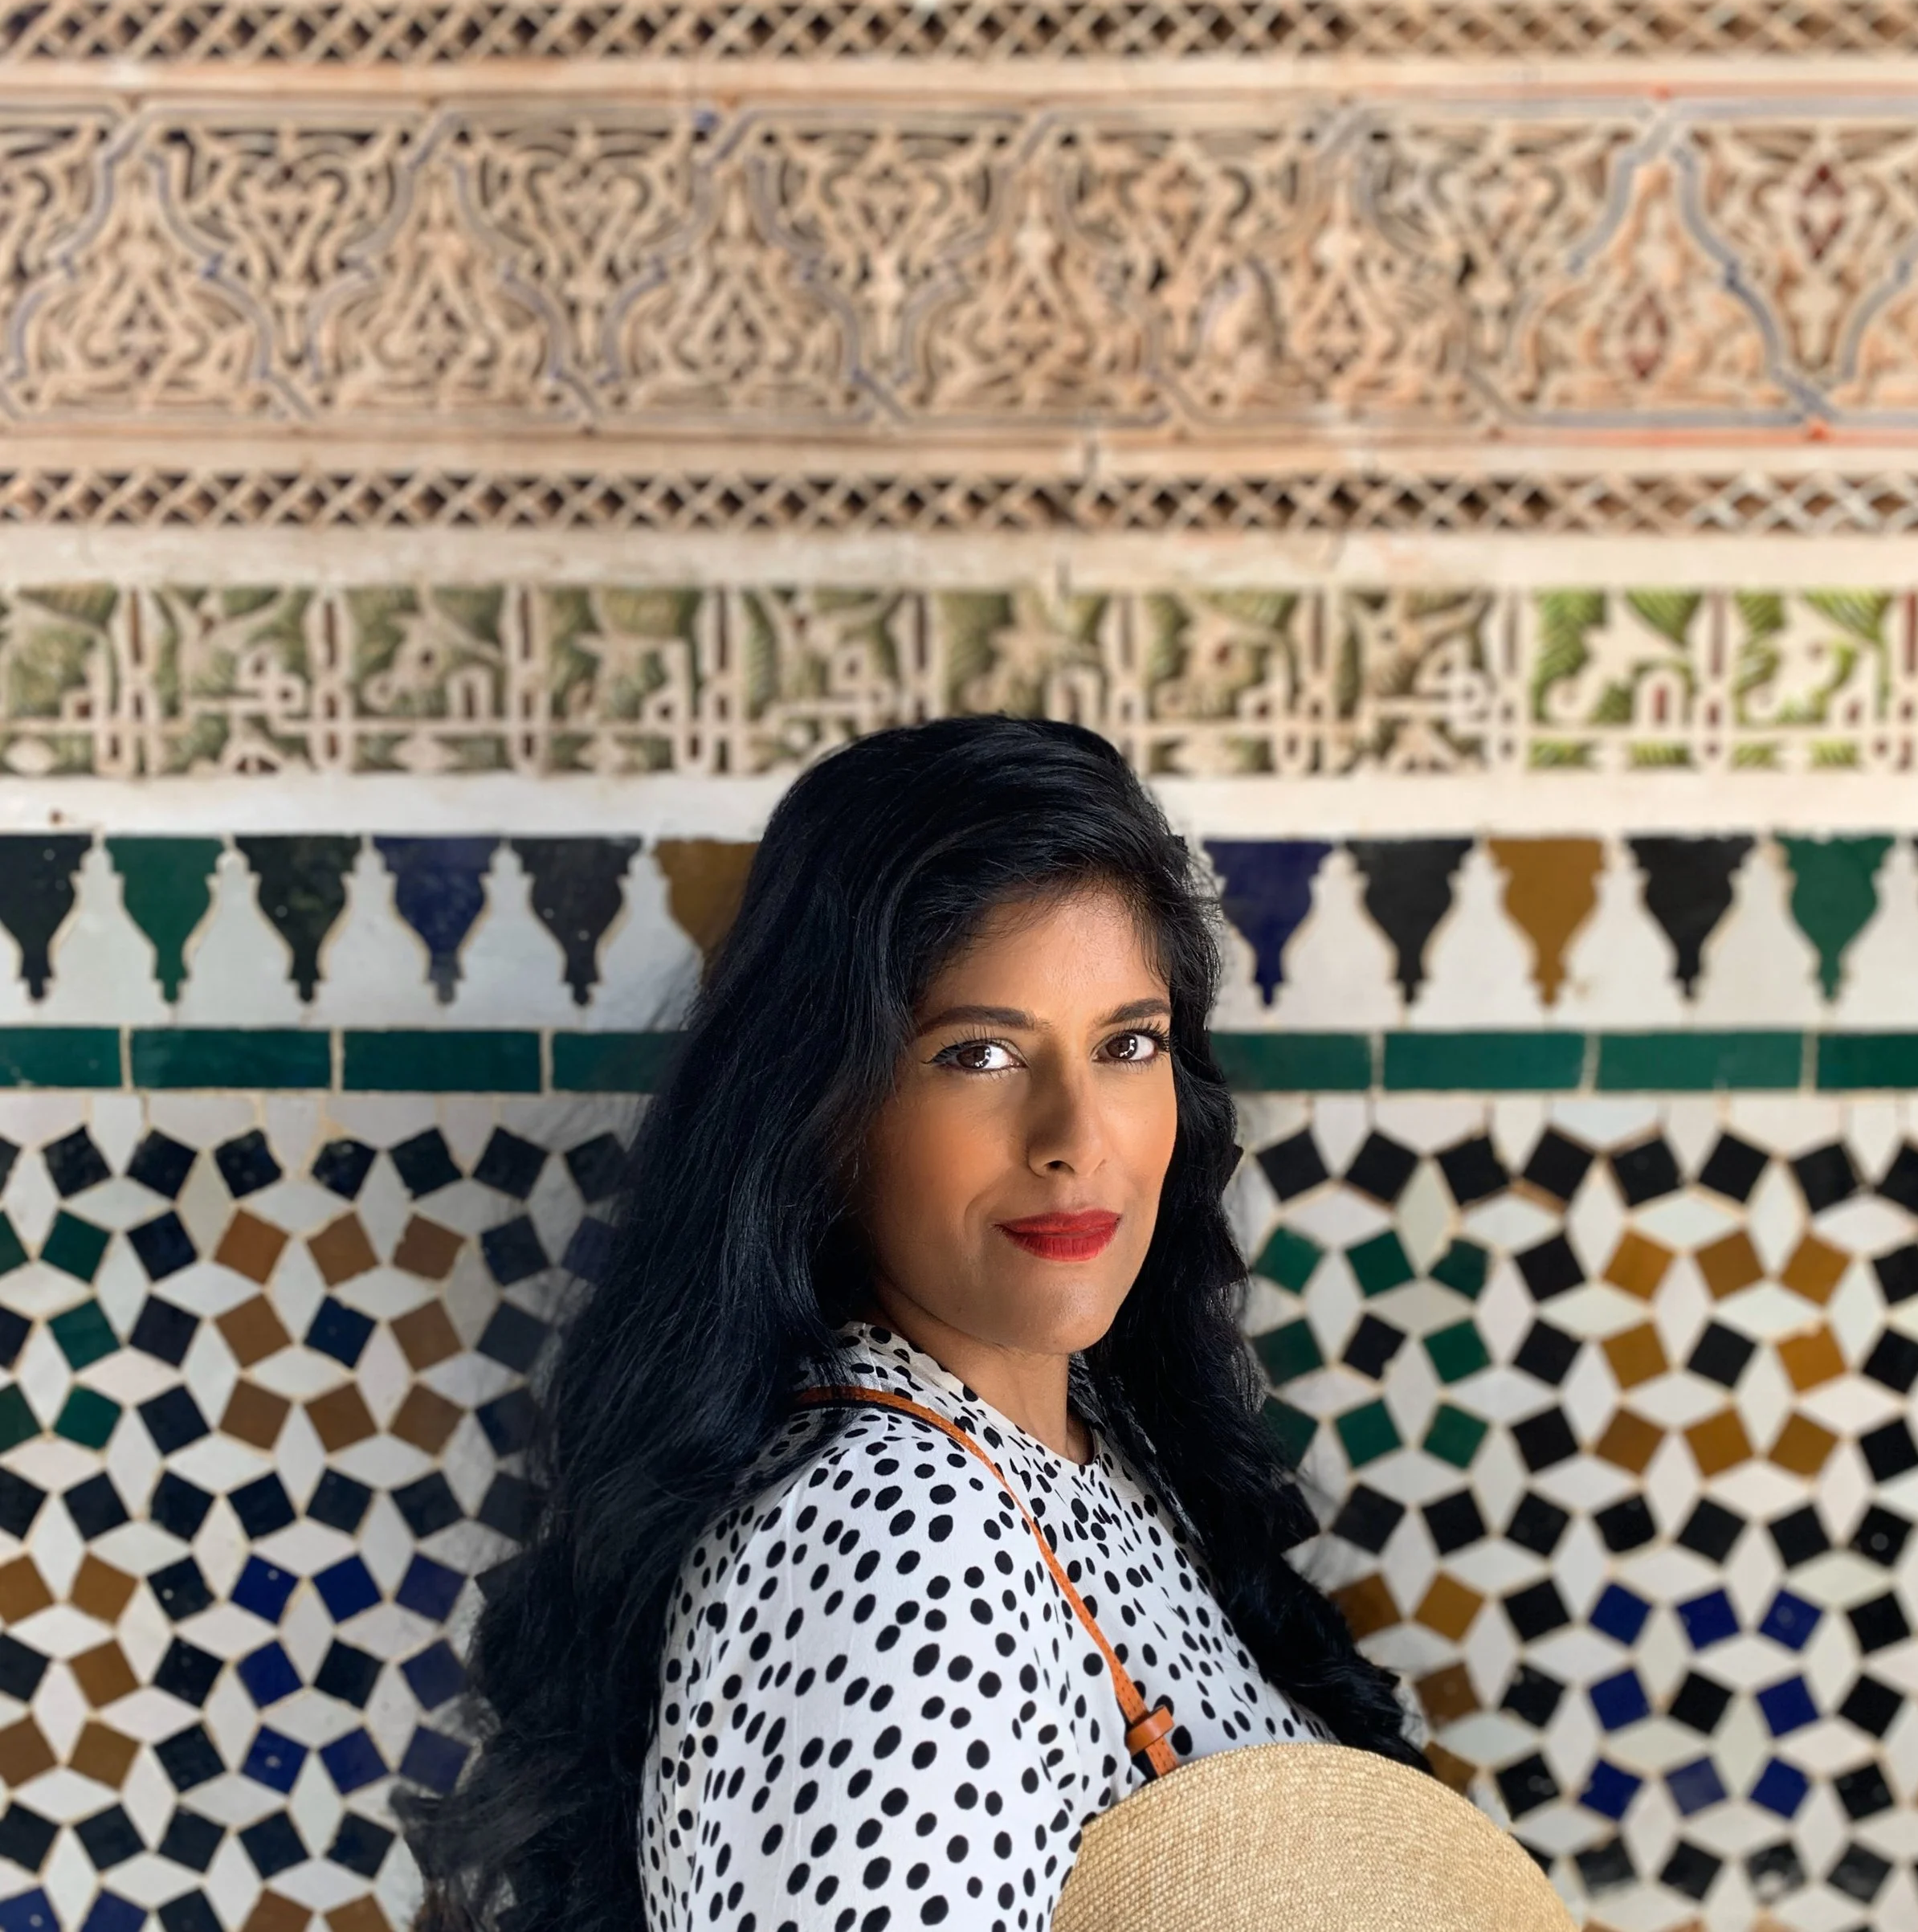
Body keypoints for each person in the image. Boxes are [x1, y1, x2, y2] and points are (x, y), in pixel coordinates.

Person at [403, 716, 1425, 1932]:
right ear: (827, 1108)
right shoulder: (900, 1540)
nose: (1074, 1137)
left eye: (1127, 1044)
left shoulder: (1091, 1441)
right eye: (980, 1052)